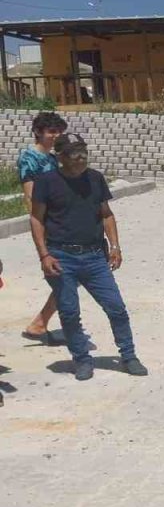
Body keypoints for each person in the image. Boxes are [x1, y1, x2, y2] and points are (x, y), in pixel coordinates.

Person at [29, 134, 147, 381]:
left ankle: (129, 355)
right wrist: (44, 255)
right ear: (60, 156)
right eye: (74, 152)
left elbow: (106, 214)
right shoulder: (46, 182)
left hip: (95, 257)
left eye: (83, 150)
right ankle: (82, 359)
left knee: (116, 308)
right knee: (70, 312)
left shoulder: (95, 178)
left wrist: (115, 246)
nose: (81, 156)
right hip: (61, 257)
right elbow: (37, 219)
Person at [17, 111, 68, 347]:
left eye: (58, 131)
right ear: (38, 132)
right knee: (64, 275)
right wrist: (43, 229)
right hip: (48, 225)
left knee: (68, 275)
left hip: (61, 221)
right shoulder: (30, 158)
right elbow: (30, 196)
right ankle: (40, 324)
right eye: (51, 132)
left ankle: (40, 323)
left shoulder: (52, 158)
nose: (55, 136)